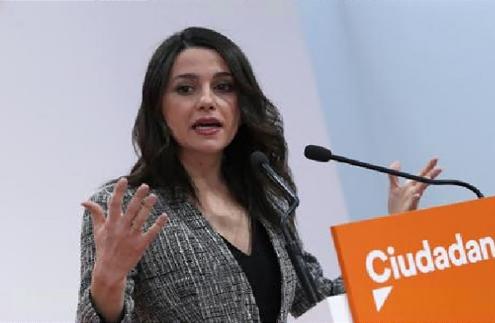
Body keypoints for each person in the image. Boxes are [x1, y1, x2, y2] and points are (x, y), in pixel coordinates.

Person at [76, 26, 441, 323]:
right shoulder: (126, 208)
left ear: (242, 103)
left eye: (223, 87)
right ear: (159, 108)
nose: (207, 100)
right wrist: (108, 279)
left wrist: (397, 234)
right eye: (185, 88)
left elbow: (316, 299)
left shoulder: (265, 195)